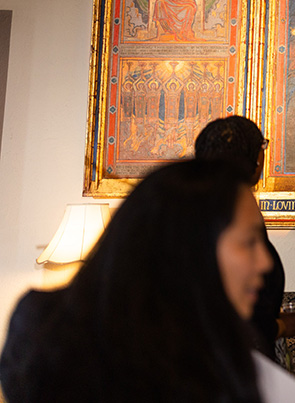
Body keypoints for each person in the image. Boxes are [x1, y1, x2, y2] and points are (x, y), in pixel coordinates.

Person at [0, 159, 279, 403]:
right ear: (190, 247)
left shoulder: (231, 347)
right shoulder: (46, 330)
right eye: (249, 241)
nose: (266, 262)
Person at [194, 115, 295, 360]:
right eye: (262, 147)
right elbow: (225, 320)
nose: (263, 262)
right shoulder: (232, 213)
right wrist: (282, 326)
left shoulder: (188, 209)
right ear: (256, 159)